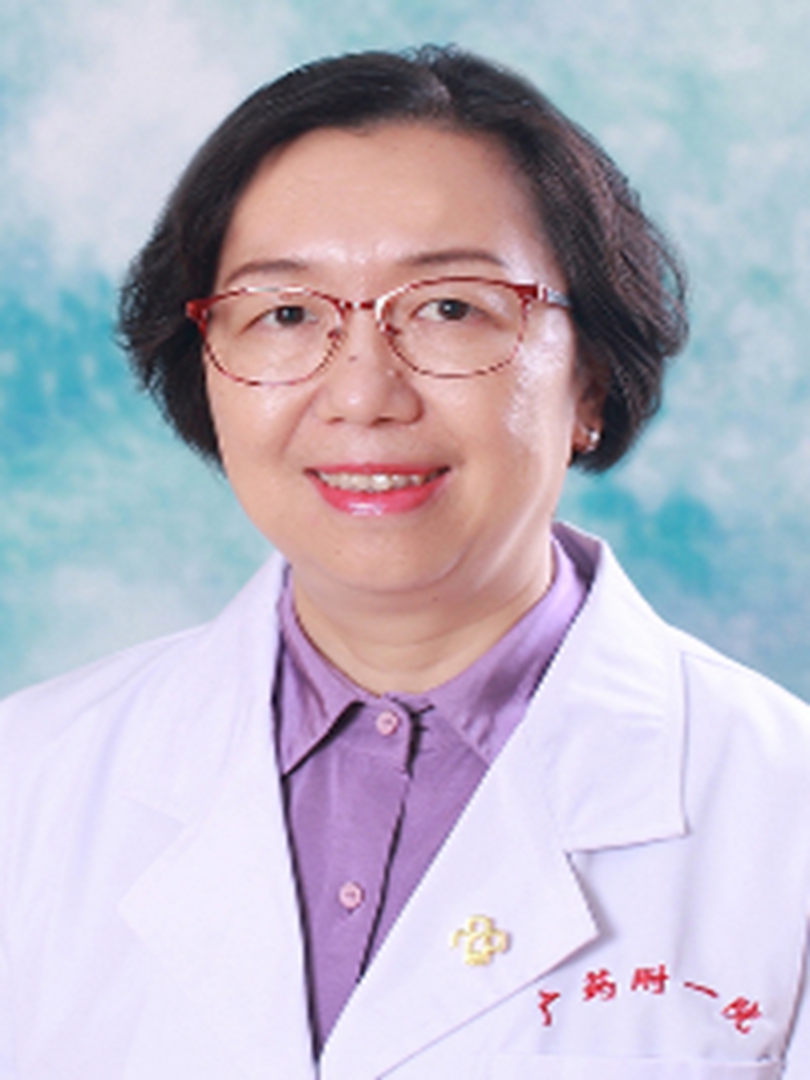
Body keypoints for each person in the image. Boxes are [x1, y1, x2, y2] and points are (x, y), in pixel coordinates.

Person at [1, 45, 809, 1080]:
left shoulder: (782, 814)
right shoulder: (28, 781)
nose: (362, 395)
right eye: (286, 315)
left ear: (591, 380)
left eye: (451, 308)